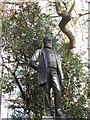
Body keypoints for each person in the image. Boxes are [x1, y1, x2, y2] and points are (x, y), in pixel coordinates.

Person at [30, 36, 65, 117]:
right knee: (46, 93)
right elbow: (32, 62)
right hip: (45, 73)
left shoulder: (56, 54)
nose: (49, 42)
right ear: (44, 42)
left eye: (50, 40)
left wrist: (62, 79)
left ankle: (58, 111)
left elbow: (60, 68)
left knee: (58, 91)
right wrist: (39, 68)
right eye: (47, 40)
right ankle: (48, 112)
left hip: (54, 72)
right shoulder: (40, 51)